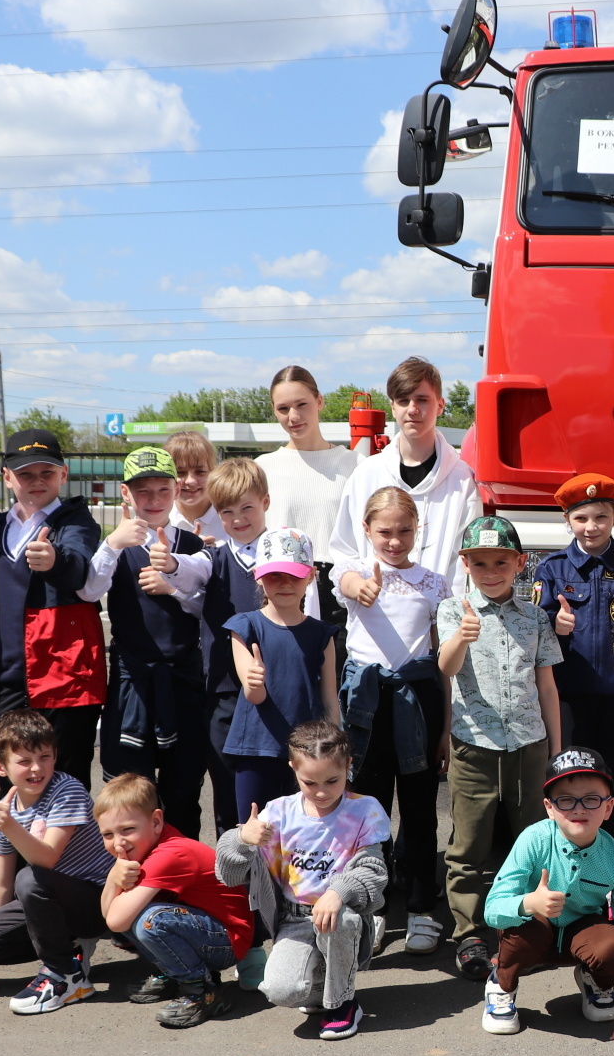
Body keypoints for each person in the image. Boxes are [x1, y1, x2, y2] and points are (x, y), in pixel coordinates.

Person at [437, 515, 565, 982]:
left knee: (533, 836)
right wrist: (459, 639)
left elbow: (546, 684)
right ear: (466, 564)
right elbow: (446, 668)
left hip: (530, 745)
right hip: (475, 746)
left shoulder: (534, 615)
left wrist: (555, 747)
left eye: (501, 562)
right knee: (469, 843)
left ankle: (531, 921)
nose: (491, 571)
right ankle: (469, 931)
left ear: (519, 562)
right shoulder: (454, 610)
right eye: (480, 563)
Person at [215, 721, 390, 1041]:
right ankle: (326, 985)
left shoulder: (365, 810)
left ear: (348, 766)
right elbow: (228, 875)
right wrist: (242, 838)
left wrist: (338, 891)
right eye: (310, 782)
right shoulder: (279, 812)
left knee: (338, 921)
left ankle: (343, 1004)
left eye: (332, 780)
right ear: (293, 768)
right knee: (280, 991)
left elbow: (374, 871)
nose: (322, 792)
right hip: (294, 918)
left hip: (342, 914)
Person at [335, 486, 450, 955]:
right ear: (367, 530)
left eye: (405, 531)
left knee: (421, 806)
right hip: (366, 702)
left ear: (417, 529)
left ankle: (423, 906)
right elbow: (345, 584)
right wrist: (360, 587)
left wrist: (444, 729)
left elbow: (442, 657)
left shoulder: (434, 582)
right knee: (369, 807)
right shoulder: (356, 573)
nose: (395, 540)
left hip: (418, 697)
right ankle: (373, 905)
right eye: (384, 531)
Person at [78, 446, 213, 839]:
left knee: (183, 790)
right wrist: (112, 544)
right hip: (131, 678)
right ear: (126, 493)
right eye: (143, 492)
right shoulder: (117, 544)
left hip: (184, 677)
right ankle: (131, 880)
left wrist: (173, 589)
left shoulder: (192, 544)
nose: (153, 500)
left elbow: (210, 609)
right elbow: (89, 591)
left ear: (176, 491)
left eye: (161, 490)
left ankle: (181, 881)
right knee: (128, 790)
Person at [481, 748, 614, 1041]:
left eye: (592, 799)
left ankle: (596, 980)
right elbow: (492, 907)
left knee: (613, 947)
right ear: (549, 806)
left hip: (580, 933)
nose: (579, 808)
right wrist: (528, 902)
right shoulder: (533, 839)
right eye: (566, 800)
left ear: (609, 808)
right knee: (524, 929)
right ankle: (502, 985)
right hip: (534, 930)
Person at [0, 709, 113, 1014]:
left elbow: (47, 859)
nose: (37, 768)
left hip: (99, 901)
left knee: (29, 879)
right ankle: (73, 947)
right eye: (24, 761)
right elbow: (0, 882)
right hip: (54, 901)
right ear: (0, 767)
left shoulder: (67, 790)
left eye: (45, 757)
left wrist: (10, 826)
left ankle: (64, 974)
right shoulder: (6, 810)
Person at [0, 427, 104, 793]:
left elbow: (79, 565)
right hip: (6, 679)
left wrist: (54, 560)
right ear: (7, 477)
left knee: (67, 786)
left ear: (63, 474)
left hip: (66, 677)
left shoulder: (77, 521)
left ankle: (69, 854)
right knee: (12, 787)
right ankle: (15, 853)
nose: (36, 481)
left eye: (47, 472)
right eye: (25, 474)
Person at [94, 773, 255, 1029]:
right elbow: (110, 915)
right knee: (136, 913)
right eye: (108, 834)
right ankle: (174, 974)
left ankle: (202, 990)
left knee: (151, 921)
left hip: (227, 941)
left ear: (156, 821)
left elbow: (114, 920)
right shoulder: (140, 851)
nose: (118, 842)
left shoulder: (169, 854)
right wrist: (114, 877)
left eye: (127, 829)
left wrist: (114, 880)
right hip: (201, 931)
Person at [332, 355, 482, 589]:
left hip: (440, 618)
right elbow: (345, 551)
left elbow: (469, 561)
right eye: (403, 401)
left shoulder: (461, 480)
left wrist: (448, 616)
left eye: (422, 400)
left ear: (440, 405)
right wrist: (357, 587)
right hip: (375, 614)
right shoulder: (366, 476)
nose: (412, 409)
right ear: (392, 407)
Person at [224, 528, 341, 818]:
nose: (286, 583)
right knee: (254, 833)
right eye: (275, 574)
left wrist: (338, 748)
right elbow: (254, 695)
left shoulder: (322, 633)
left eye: (295, 574)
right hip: (255, 748)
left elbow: (329, 698)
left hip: (309, 754)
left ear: (311, 575)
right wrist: (254, 680)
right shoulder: (244, 626)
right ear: (259, 576)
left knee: (305, 835)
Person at [532, 472, 614, 790]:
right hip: (568, 695)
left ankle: (613, 838)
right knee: (570, 773)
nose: (592, 526)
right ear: (567, 520)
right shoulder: (552, 568)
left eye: (601, 517)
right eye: (581, 518)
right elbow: (533, 628)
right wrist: (555, 625)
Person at [198, 457, 271, 837]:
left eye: (247, 507)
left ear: (266, 504)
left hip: (277, 694)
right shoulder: (212, 559)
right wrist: (170, 564)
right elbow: (186, 567)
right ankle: (233, 887)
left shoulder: (285, 557)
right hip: (225, 694)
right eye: (227, 511)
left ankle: (280, 889)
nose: (239, 518)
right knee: (226, 793)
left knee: (277, 794)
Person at [256, 366, 356, 636]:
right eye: (283, 409)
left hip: (340, 593)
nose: (294, 417)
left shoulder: (355, 465)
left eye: (302, 404)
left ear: (320, 401)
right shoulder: (262, 468)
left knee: (336, 676)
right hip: (280, 588)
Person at [166, 429, 225, 544]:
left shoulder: (231, 517)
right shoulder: (156, 519)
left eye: (200, 472)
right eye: (180, 472)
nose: (191, 481)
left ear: (213, 472)